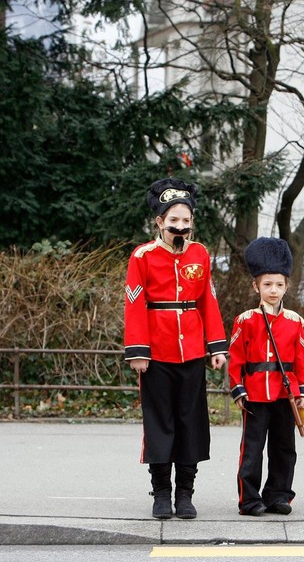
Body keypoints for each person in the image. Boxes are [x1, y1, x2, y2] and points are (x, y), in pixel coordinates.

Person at [123, 177, 228, 520]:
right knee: (160, 423)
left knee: (191, 422)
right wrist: (138, 350)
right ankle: (161, 493)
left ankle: (186, 493)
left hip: (194, 352)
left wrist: (216, 346)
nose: (180, 227)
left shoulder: (200, 254)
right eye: (173, 221)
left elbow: (208, 301)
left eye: (186, 221)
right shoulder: (142, 256)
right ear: (159, 222)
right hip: (156, 354)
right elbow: (134, 304)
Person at [228, 237, 304, 516]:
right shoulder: (245, 320)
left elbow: (302, 359)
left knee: (284, 448)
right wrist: (238, 389)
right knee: (252, 450)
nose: (273, 290)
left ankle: (279, 495)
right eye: (267, 284)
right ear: (256, 286)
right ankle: (249, 499)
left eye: (279, 284)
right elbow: (236, 359)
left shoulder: (295, 321)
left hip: (284, 394)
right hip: (254, 394)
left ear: (287, 286)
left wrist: (303, 392)